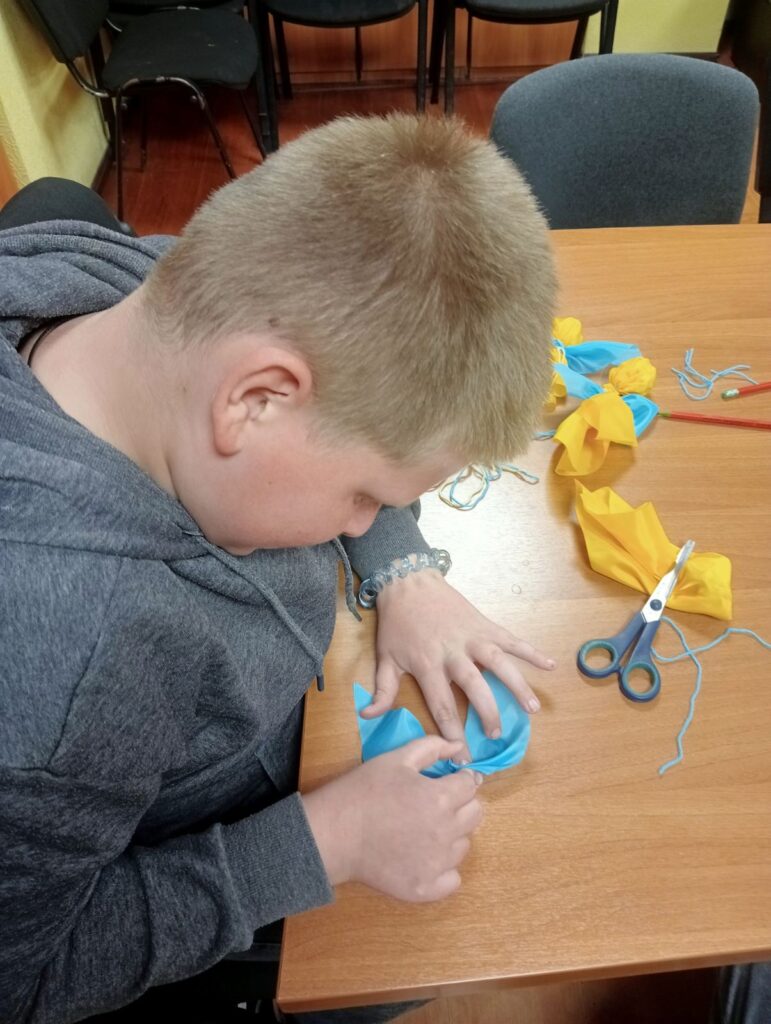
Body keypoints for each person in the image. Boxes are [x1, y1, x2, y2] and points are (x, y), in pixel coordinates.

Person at [0, 114, 557, 1024]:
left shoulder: (151, 290)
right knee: (429, 950)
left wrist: (401, 568)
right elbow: (25, 974)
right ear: (256, 400)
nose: (364, 522)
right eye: (366, 497)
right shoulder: (71, 671)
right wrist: (326, 841)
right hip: (223, 833)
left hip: (265, 709)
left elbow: (336, 406)